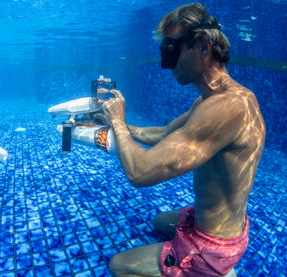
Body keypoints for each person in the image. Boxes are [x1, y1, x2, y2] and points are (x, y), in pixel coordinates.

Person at [103, 3, 266, 277]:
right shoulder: (214, 99)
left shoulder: (226, 109)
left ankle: (213, 272)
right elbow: (163, 134)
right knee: (159, 222)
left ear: (203, 47)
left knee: (119, 267)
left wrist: (118, 122)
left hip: (214, 246)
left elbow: (140, 172)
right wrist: (114, 121)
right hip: (218, 223)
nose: (167, 63)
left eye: (171, 49)